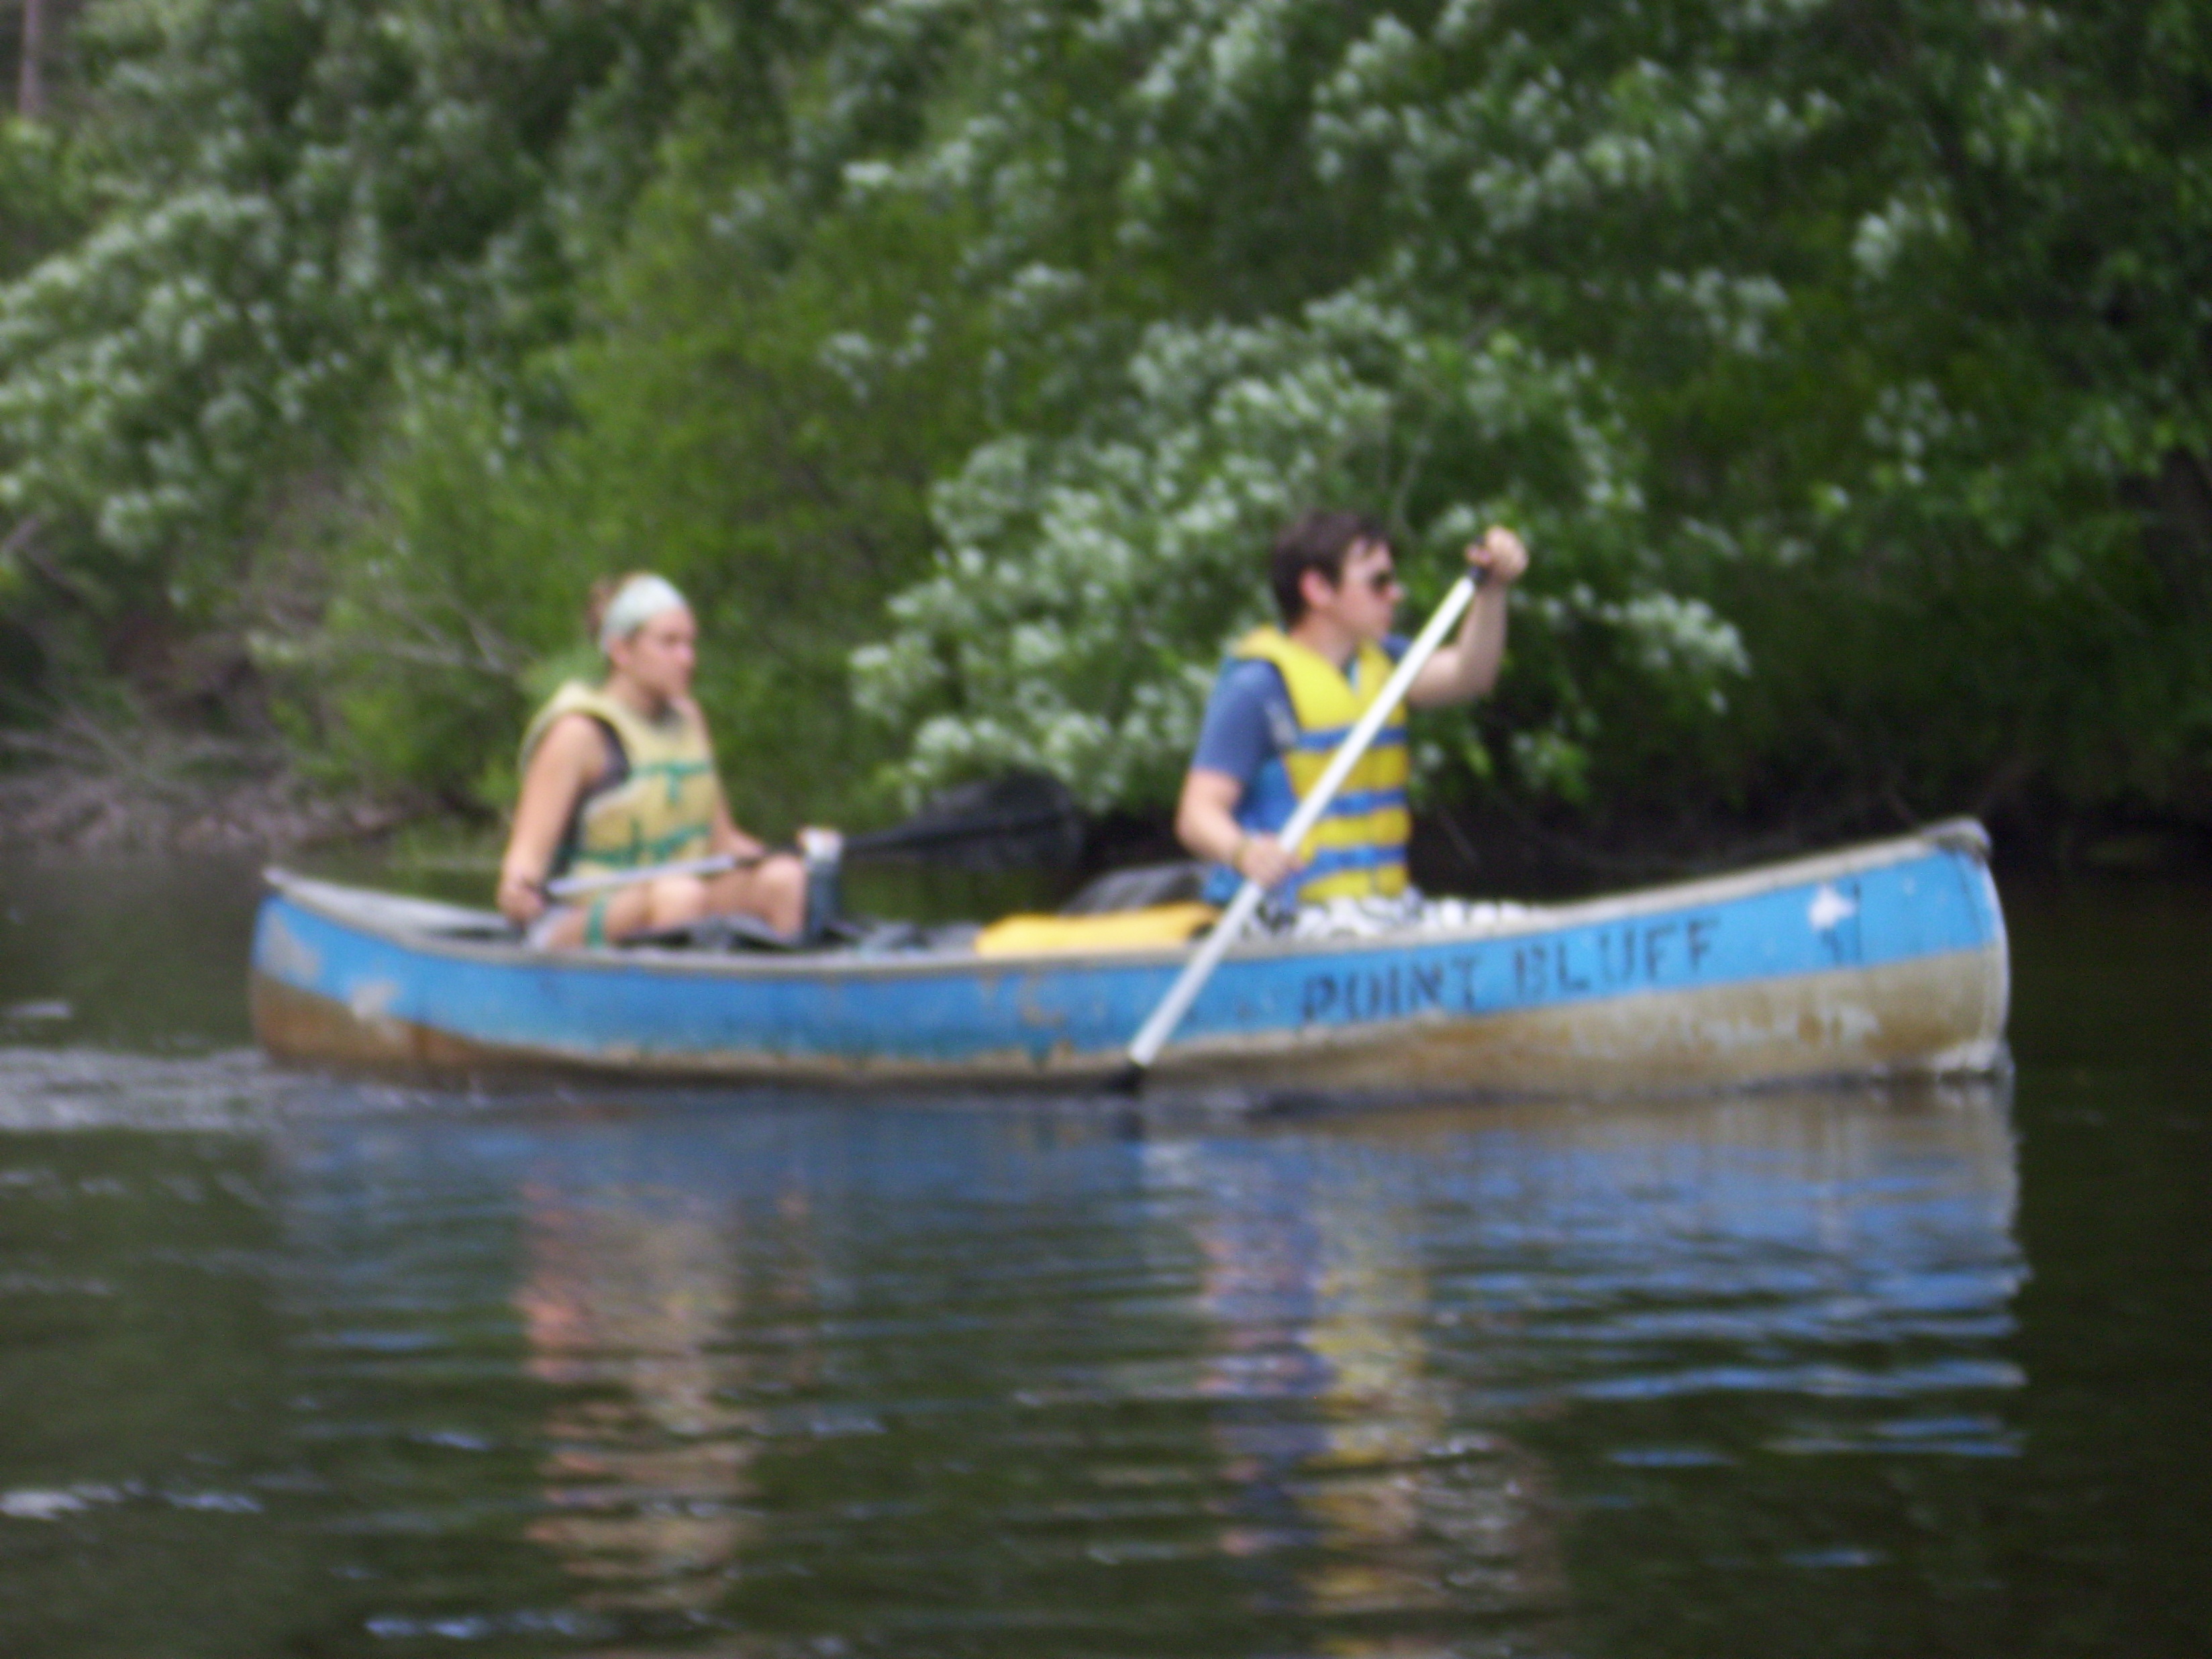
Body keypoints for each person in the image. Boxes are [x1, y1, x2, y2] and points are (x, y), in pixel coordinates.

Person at [1174, 510, 1529, 914]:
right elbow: (1197, 814)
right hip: (1286, 913)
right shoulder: (1258, 687)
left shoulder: (1384, 661)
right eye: (1379, 582)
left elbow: (1471, 674)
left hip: (1383, 907)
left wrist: (1492, 591)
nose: (1395, 594)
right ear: (1318, 589)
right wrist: (1244, 851)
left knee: (1509, 918)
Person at [496, 573, 815, 948]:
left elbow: (723, 843)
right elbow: (522, 867)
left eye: (690, 643)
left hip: (681, 898)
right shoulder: (578, 734)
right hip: (576, 921)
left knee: (786, 879)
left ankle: (784, 981)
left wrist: (799, 855)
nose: (687, 659)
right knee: (679, 895)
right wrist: (519, 892)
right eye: (669, 643)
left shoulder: (690, 719)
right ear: (621, 651)